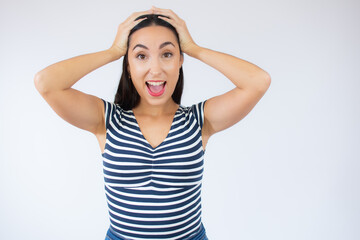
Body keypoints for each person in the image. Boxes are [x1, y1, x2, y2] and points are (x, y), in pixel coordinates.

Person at [34, 6, 271, 240]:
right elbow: (46, 83)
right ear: (128, 66)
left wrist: (194, 49)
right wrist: (113, 51)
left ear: (180, 60)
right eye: (141, 56)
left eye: (167, 54)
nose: (155, 69)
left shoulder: (199, 121)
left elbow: (258, 82)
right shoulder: (107, 121)